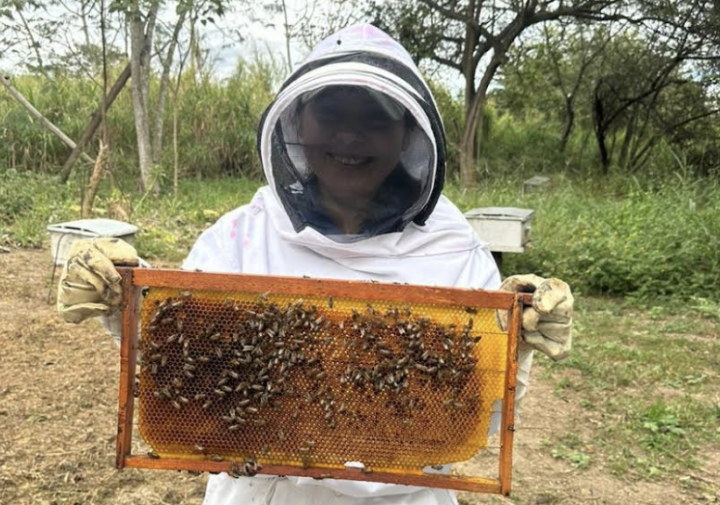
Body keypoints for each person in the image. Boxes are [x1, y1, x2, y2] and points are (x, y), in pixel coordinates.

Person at [57, 24, 573, 505]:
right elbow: (186, 360)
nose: (349, 137)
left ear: (407, 135)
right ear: (298, 121)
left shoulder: (455, 250)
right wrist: (122, 300)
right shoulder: (242, 236)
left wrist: (516, 339)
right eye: (331, 116)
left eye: (374, 119)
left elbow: (480, 415)